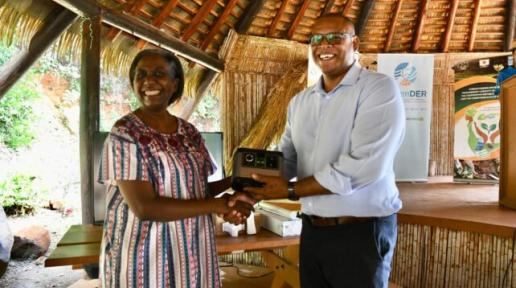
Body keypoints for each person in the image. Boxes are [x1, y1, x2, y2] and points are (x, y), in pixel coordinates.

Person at [241, 14, 406, 287]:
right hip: (313, 230)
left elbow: (363, 166)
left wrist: (291, 190)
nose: (324, 45)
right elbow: (287, 158)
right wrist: (248, 184)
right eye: (316, 39)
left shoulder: (378, 89)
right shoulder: (301, 101)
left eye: (334, 37)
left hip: (360, 232)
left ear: (355, 43)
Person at [98, 49, 255, 288]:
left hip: (193, 252)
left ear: (174, 84)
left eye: (158, 74)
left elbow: (195, 190)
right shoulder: (125, 132)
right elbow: (145, 207)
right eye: (141, 75)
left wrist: (234, 182)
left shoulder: (189, 132)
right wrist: (220, 206)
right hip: (144, 259)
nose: (148, 81)